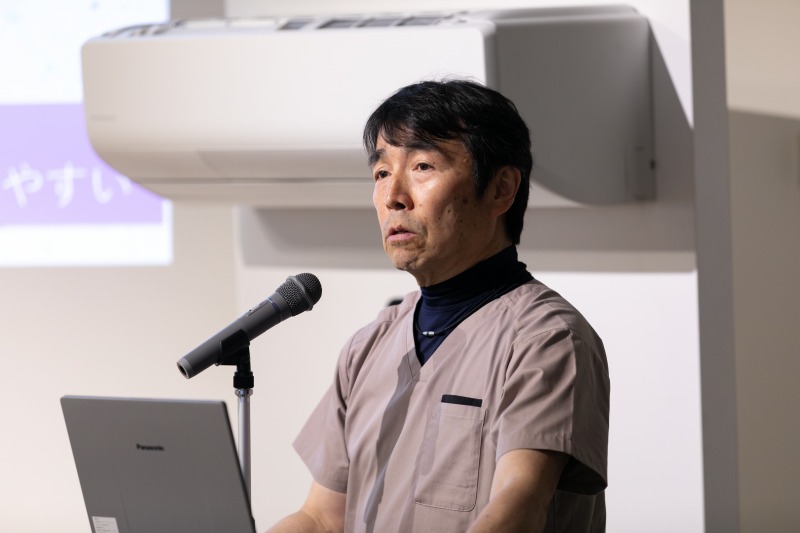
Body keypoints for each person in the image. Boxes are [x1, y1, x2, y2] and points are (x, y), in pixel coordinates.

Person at [266, 79, 610, 533]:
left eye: (422, 166)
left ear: (501, 189)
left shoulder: (547, 339)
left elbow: (518, 509)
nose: (393, 196)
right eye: (381, 173)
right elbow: (321, 518)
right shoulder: (369, 345)